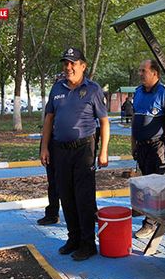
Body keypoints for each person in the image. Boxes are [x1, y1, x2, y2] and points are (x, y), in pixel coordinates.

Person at [40, 47, 110, 261]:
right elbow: (49, 119)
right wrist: (44, 147)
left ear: (83, 66)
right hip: (60, 149)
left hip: (84, 150)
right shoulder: (57, 88)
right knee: (66, 196)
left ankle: (88, 244)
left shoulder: (93, 89)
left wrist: (104, 151)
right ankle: (73, 238)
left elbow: (104, 122)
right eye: (65, 63)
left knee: (84, 198)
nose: (68, 67)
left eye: (72, 63)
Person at [131, 59, 165, 239]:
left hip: (157, 146)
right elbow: (136, 121)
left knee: (154, 186)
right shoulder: (138, 92)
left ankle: (150, 224)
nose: (140, 74)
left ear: (155, 73)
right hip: (141, 147)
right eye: (140, 70)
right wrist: (133, 145)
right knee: (143, 184)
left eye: (143, 70)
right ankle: (147, 214)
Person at [36, 72, 66, 226]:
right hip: (53, 145)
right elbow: (48, 121)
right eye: (58, 83)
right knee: (53, 182)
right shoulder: (54, 97)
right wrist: (44, 147)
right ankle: (52, 213)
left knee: (76, 183)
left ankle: (87, 213)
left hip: (71, 147)